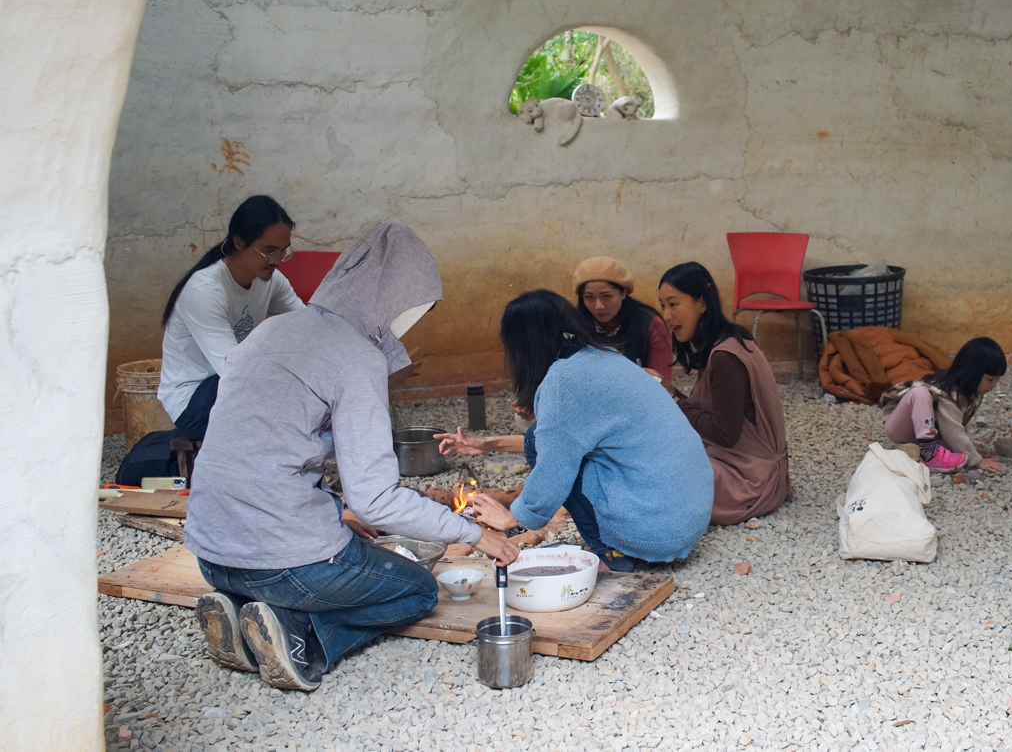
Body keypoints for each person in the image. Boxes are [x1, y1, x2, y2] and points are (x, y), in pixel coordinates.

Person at [184, 223, 519, 692]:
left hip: (210, 553)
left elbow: (271, 447)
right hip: (283, 566)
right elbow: (376, 501)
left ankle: (241, 609)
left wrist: (336, 512)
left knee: (320, 557)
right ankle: (301, 636)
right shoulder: (356, 357)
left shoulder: (269, 331)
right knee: (418, 591)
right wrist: (475, 535)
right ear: (395, 301)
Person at [439, 290, 712, 572]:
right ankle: (620, 543)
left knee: (545, 452)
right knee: (536, 439)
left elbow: (554, 467)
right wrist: (488, 444)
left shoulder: (564, 381)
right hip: (685, 518)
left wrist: (512, 517)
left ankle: (613, 556)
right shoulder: (603, 357)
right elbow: (560, 441)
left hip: (654, 531)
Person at [157, 195, 303, 441]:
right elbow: (235, 372)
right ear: (239, 242)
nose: (277, 261)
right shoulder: (205, 290)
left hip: (238, 382)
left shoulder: (270, 280)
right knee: (282, 388)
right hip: (195, 402)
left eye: (283, 251)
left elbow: (308, 326)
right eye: (268, 251)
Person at [655, 262, 790, 525]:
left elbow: (724, 434)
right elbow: (712, 414)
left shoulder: (725, 356)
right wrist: (670, 391)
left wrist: (673, 400)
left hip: (749, 479)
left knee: (657, 471)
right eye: (662, 306)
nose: (667, 316)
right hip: (743, 465)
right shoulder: (724, 341)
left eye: (674, 304)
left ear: (702, 304)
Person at [879, 337, 1007, 472]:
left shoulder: (972, 392)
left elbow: (962, 423)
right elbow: (953, 432)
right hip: (901, 428)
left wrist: (970, 451)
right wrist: (976, 460)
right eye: (990, 380)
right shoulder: (948, 394)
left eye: (996, 380)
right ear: (972, 373)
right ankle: (929, 455)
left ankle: (916, 450)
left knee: (955, 448)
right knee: (920, 393)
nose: (994, 385)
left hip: (924, 433)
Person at [573, 256, 673, 382]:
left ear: (623, 293)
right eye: (589, 297)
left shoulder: (649, 324)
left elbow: (661, 382)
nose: (598, 306)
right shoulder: (574, 324)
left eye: (606, 296)